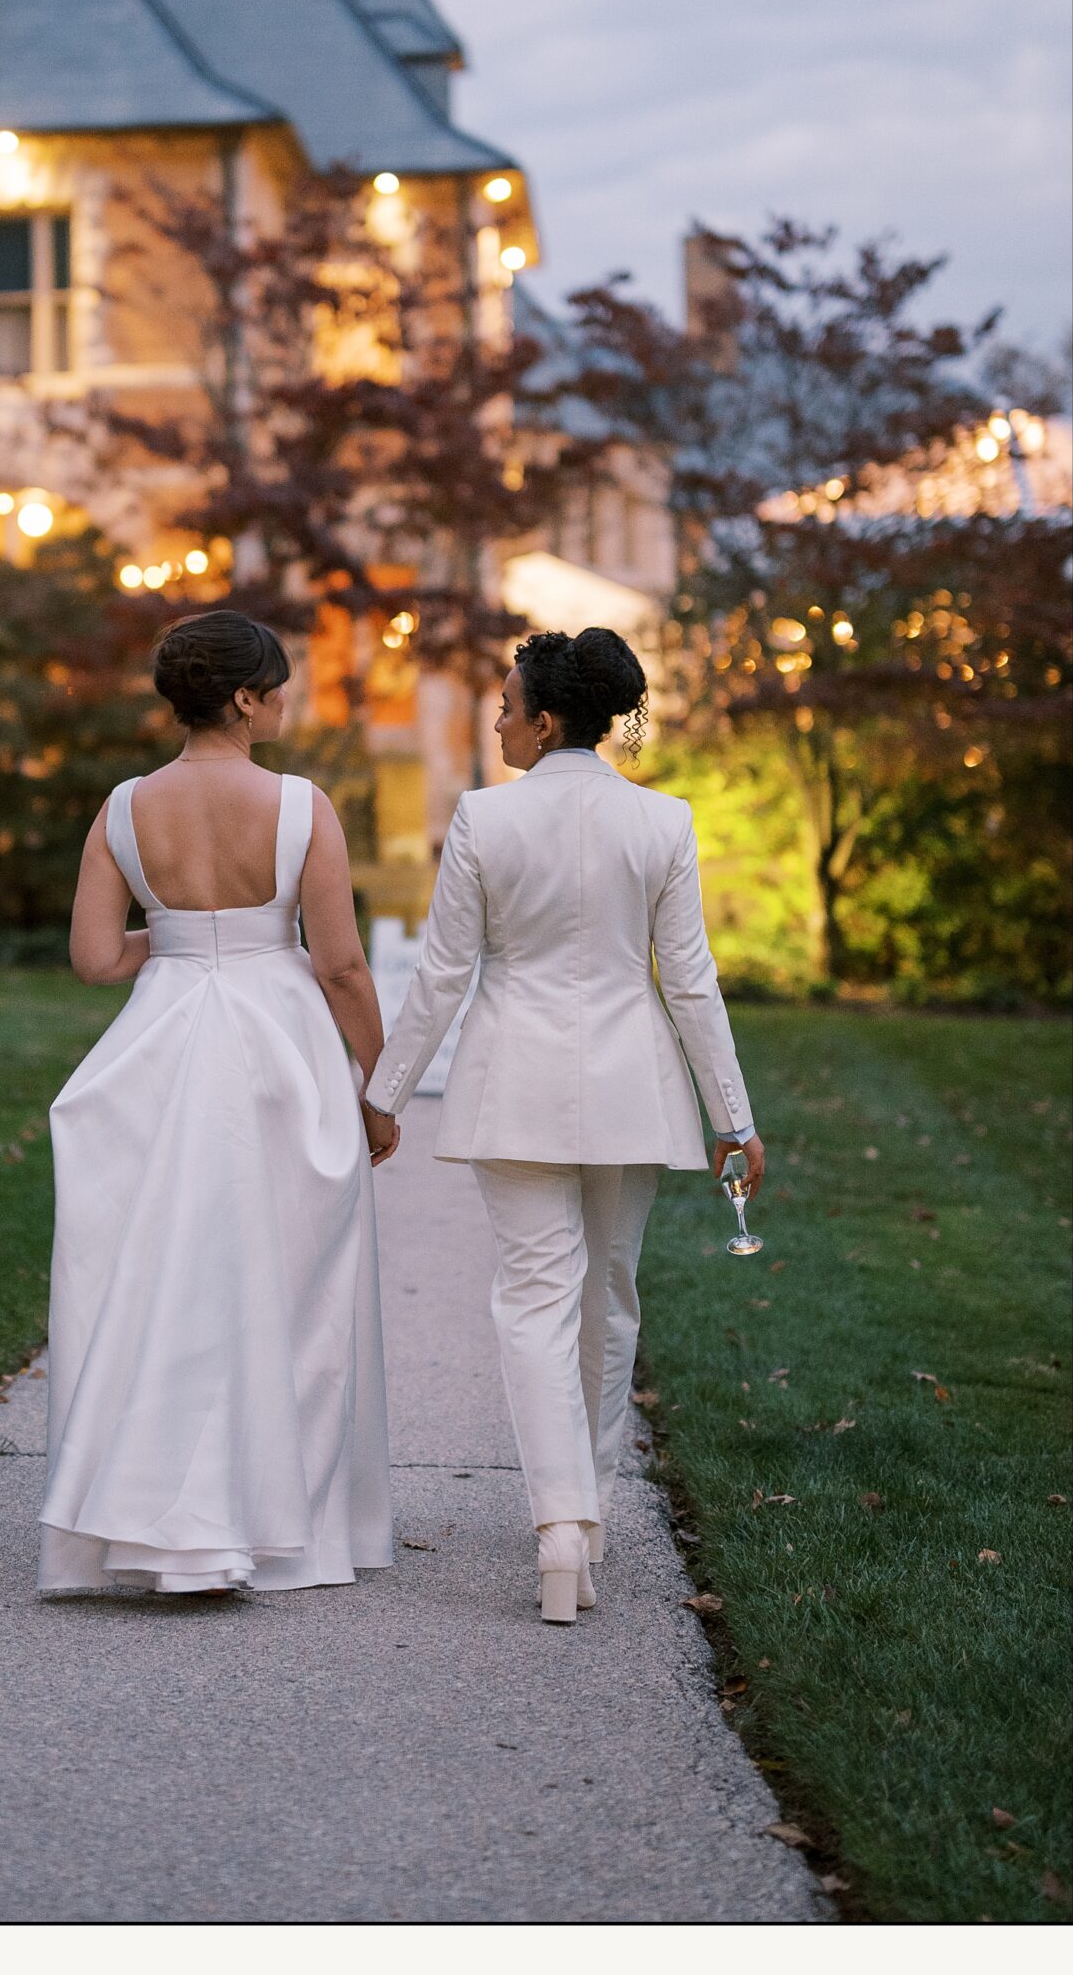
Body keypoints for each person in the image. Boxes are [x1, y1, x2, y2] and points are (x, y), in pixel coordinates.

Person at [362, 626, 764, 1625]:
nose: (495, 719)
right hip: (632, 1089)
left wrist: (383, 1092)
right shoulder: (661, 821)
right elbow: (690, 981)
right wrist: (732, 1118)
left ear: (544, 723)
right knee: (609, 1297)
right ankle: (579, 1518)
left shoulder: (482, 819)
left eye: (504, 706)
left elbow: (444, 974)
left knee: (534, 1299)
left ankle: (558, 1527)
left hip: (513, 1088)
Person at [40, 608, 397, 1597]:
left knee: (162, 1280)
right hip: (275, 1050)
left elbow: (93, 958)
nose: (285, 700)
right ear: (244, 697)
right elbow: (341, 965)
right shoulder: (297, 805)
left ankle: (152, 1512)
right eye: (276, 685)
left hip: (161, 1044)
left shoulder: (121, 809)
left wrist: (183, 935)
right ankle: (279, 1518)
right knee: (287, 1282)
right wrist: (379, 1089)